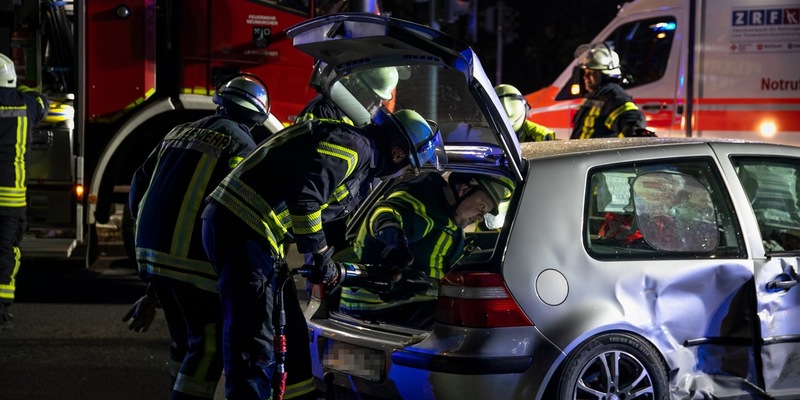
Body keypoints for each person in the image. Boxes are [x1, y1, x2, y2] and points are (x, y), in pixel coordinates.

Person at [201, 106, 446, 400]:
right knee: (254, 341)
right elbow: (306, 198)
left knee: (289, 334)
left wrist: (378, 259)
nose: (404, 175)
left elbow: (332, 225)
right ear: (397, 151)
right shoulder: (353, 146)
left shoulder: (360, 161)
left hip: (254, 233)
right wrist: (319, 256)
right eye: (409, 167)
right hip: (242, 226)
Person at [125, 74, 269, 399]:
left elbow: (139, 185)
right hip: (193, 264)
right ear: (257, 117)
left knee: (184, 343)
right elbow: (239, 207)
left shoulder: (177, 132)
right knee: (207, 348)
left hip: (151, 253)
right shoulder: (242, 144)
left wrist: (152, 270)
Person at [339, 171, 512, 329]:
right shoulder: (424, 203)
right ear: (464, 189)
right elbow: (389, 211)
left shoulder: (451, 224)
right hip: (377, 304)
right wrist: (390, 230)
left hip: (406, 303)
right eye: (481, 206)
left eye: (485, 212)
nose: (480, 216)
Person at [0, 52, 49, 330]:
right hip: (10, 199)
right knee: (5, 251)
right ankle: (1, 310)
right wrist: (20, 88)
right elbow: (44, 100)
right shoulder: (27, 104)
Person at [569, 43, 648, 139]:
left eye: (592, 73)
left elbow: (633, 120)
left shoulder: (614, 96)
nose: (585, 77)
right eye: (585, 72)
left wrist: (623, 150)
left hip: (596, 154)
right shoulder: (596, 95)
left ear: (605, 74)